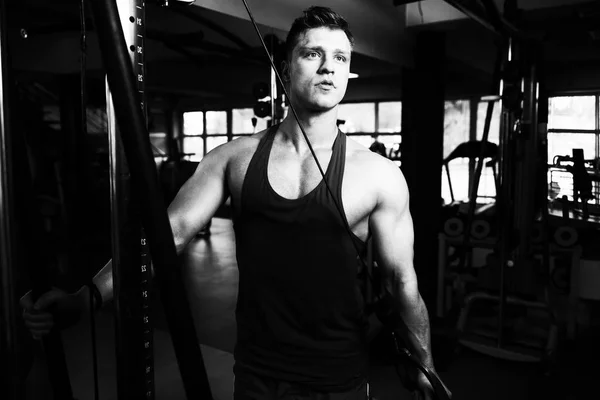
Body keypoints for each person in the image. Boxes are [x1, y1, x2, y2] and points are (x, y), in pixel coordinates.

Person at [22, 6, 447, 400]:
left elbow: (400, 280)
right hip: (257, 374)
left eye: (340, 58)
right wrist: (86, 297)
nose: (328, 68)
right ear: (285, 68)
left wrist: (423, 359)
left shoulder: (379, 174)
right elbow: (167, 237)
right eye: (312, 53)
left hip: (339, 376)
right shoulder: (233, 159)